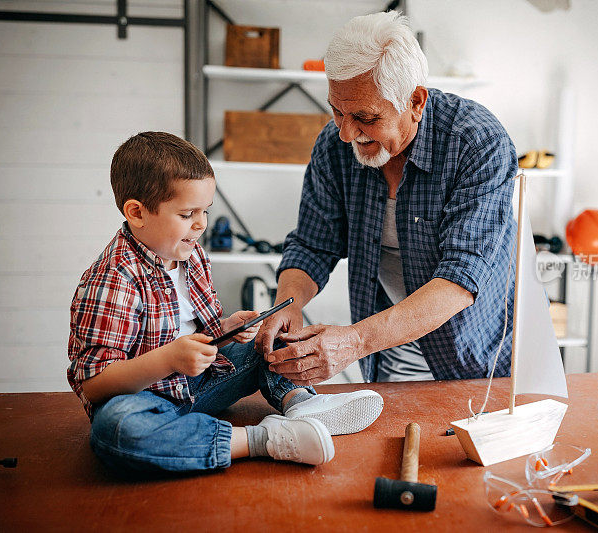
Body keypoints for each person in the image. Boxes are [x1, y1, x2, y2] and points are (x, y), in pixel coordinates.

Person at [67, 132, 383, 472]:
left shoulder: (192, 256)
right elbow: (94, 383)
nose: (201, 224)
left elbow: (200, 331)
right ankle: (266, 440)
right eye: (188, 214)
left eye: (205, 211)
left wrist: (226, 330)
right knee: (116, 429)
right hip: (146, 399)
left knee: (268, 338)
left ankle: (301, 406)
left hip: (200, 385)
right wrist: (168, 360)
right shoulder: (114, 277)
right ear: (137, 213)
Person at [256, 12, 518, 385]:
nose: (346, 133)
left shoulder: (476, 143)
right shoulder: (334, 146)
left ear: (415, 101)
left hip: (479, 355)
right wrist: (289, 305)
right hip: (390, 345)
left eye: (365, 116)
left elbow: (460, 279)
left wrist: (354, 340)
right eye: (336, 111)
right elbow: (313, 244)